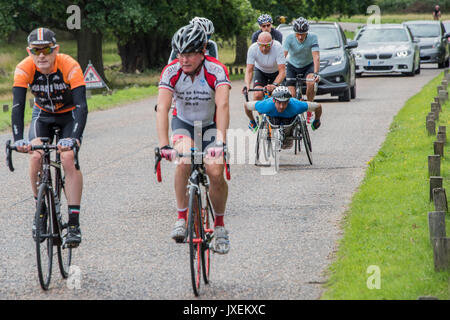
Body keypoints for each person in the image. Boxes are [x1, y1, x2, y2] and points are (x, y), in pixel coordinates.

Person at [156, 23, 231, 254]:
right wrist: (164, 145)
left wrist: (220, 141)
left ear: (203, 52)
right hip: (184, 125)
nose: (184, 60)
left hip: (209, 126)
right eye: (180, 54)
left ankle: (219, 227)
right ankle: (181, 217)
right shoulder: (171, 71)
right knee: (184, 159)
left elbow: (223, 105)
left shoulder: (217, 70)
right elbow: (163, 108)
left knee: (215, 171)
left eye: (189, 54)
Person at [11, 27, 88, 247]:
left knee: (67, 158)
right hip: (42, 115)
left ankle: (73, 223)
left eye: (46, 49)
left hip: (69, 115)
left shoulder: (69, 65)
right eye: (36, 50)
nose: (42, 55)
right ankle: (41, 211)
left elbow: (82, 106)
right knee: (35, 156)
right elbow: (17, 107)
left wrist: (74, 138)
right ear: (29, 51)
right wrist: (18, 139)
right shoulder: (23, 68)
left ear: (56, 50)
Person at [244, 86, 322, 149]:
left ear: (288, 101)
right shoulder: (266, 105)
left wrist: (316, 120)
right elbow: (246, 106)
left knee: (288, 140)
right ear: (274, 100)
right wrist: (252, 121)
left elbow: (318, 106)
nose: (281, 106)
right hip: (273, 120)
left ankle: (287, 136)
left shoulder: (296, 105)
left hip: (289, 123)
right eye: (279, 103)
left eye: (284, 103)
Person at [243, 32, 286, 130]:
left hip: (276, 72)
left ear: (272, 43)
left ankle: (278, 119)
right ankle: (262, 119)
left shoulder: (278, 47)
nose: (263, 49)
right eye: (261, 46)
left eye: (267, 46)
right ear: (257, 43)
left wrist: (274, 85)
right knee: (258, 94)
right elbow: (249, 70)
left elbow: (282, 72)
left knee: (277, 96)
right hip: (261, 71)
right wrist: (247, 85)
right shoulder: (253, 49)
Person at [283, 17, 320, 124]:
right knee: (291, 95)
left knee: (310, 82)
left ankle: (309, 108)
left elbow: (316, 57)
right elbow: (283, 56)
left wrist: (316, 73)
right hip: (292, 66)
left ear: (307, 32)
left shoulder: (313, 37)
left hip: (307, 66)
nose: (300, 36)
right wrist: (279, 71)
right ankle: (293, 116)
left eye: (303, 34)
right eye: (297, 33)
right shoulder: (289, 38)